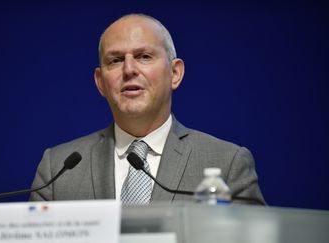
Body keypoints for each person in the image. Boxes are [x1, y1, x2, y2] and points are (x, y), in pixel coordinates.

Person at [29, 14, 265, 205]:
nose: (129, 69)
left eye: (144, 56)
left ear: (175, 73)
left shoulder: (228, 163)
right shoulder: (58, 168)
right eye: (115, 60)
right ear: (100, 82)